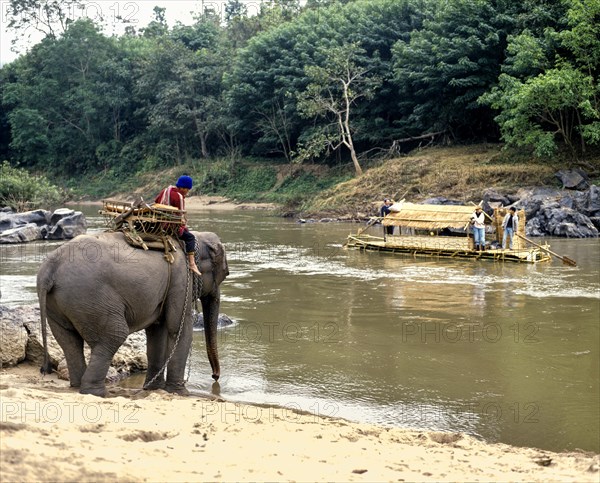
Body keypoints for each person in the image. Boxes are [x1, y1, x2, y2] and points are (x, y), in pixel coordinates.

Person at [155, 175, 202, 276]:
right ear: (183, 188)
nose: (187, 192)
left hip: (157, 224)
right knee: (190, 237)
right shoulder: (179, 197)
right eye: (187, 189)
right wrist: (184, 227)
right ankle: (192, 263)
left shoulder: (165, 191)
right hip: (169, 227)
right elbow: (180, 217)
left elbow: (156, 201)